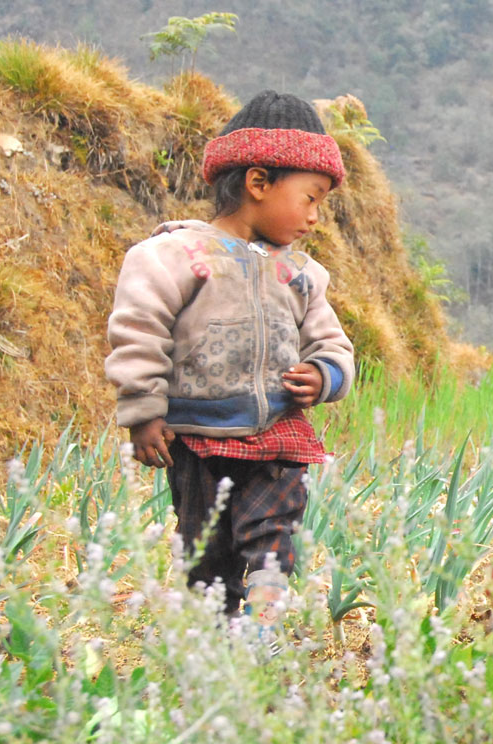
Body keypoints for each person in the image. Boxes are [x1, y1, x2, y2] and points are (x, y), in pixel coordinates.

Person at [105, 90, 355, 635]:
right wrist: (144, 410)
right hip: (197, 436)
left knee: (274, 537)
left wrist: (324, 376)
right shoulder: (174, 256)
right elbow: (139, 331)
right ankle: (210, 639)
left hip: (278, 434)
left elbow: (333, 345)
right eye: (310, 198)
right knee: (206, 552)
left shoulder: (302, 275)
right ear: (258, 183)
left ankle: (262, 632)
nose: (315, 218)